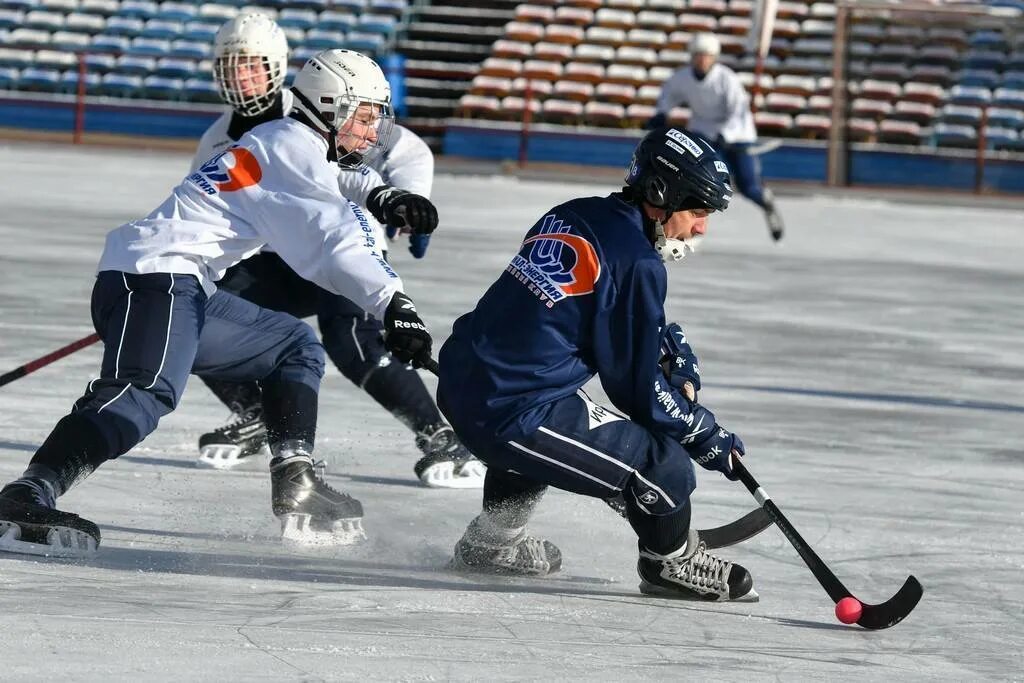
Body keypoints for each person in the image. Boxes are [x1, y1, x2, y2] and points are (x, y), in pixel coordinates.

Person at [0, 48, 438, 557]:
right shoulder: (288, 147)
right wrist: (395, 305)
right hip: (159, 278)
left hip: (171, 281)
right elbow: (337, 241)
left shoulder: (288, 141)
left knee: (293, 345)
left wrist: (385, 196)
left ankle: (296, 477)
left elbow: (340, 177)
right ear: (329, 107)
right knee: (144, 395)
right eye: (364, 116)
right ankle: (29, 493)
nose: (373, 130)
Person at [436, 126, 758, 602]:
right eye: (696, 211)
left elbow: (598, 310)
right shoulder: (638, 263)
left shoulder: (574, 213)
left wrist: (665, 347)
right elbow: (636, 389)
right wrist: (703, 433)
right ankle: (669, 564)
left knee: (538, 445)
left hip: (467, 376)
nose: (700, 227)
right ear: (659, 194)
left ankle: (492, 543)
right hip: (513, 407)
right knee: (664, 466)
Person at [191, 12, 484, 489]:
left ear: (277, 67)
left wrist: (410, 200)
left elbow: (406, 150)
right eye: (232, 66)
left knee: (353, 339)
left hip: (339, 245)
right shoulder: (216, 139)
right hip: (274, 260)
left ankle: (438, 434)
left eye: (252, 65)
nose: (242, 77)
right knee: (195, 313)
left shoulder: (319, 105)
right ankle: (255, 414)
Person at [648, 33, 784, 242]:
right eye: (698, 55)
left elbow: (738, 112)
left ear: (714, 57)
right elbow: (668, 95)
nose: (702, 60)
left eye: (707, 55)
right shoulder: (682, 77)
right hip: (704, 131)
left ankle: (766, 203)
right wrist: (661, 113)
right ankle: (692, 224)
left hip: (738, 134)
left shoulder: (726, 79)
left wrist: (726, 134)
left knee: (748, 186)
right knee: (701, 182)